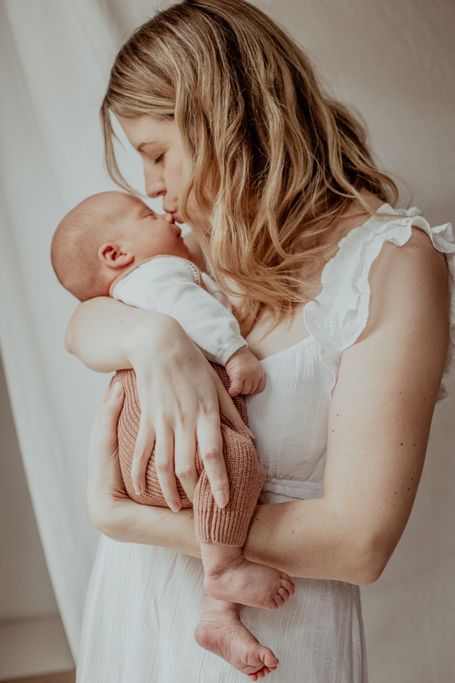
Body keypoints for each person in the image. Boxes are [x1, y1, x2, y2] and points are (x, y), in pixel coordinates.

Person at [67, 1, 455, 681]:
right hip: (139, 608)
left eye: (158, 154)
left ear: (222, 118)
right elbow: (82, 322)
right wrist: (153, 339)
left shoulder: (392, 263)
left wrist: (127, 517)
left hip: (272, 643)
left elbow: (358, 542)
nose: (153, 188)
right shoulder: (204, 244)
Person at [51, 190, 297, 676]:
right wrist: (234, 353)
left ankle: (218, 616)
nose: (164, 211)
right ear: (117, 254)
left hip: (146, 456)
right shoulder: (160, 274)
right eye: (147, 215)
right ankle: (224, 571)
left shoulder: (132, 291)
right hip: (167, 443)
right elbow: (196, 313)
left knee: (221, 490)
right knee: (237, 465)